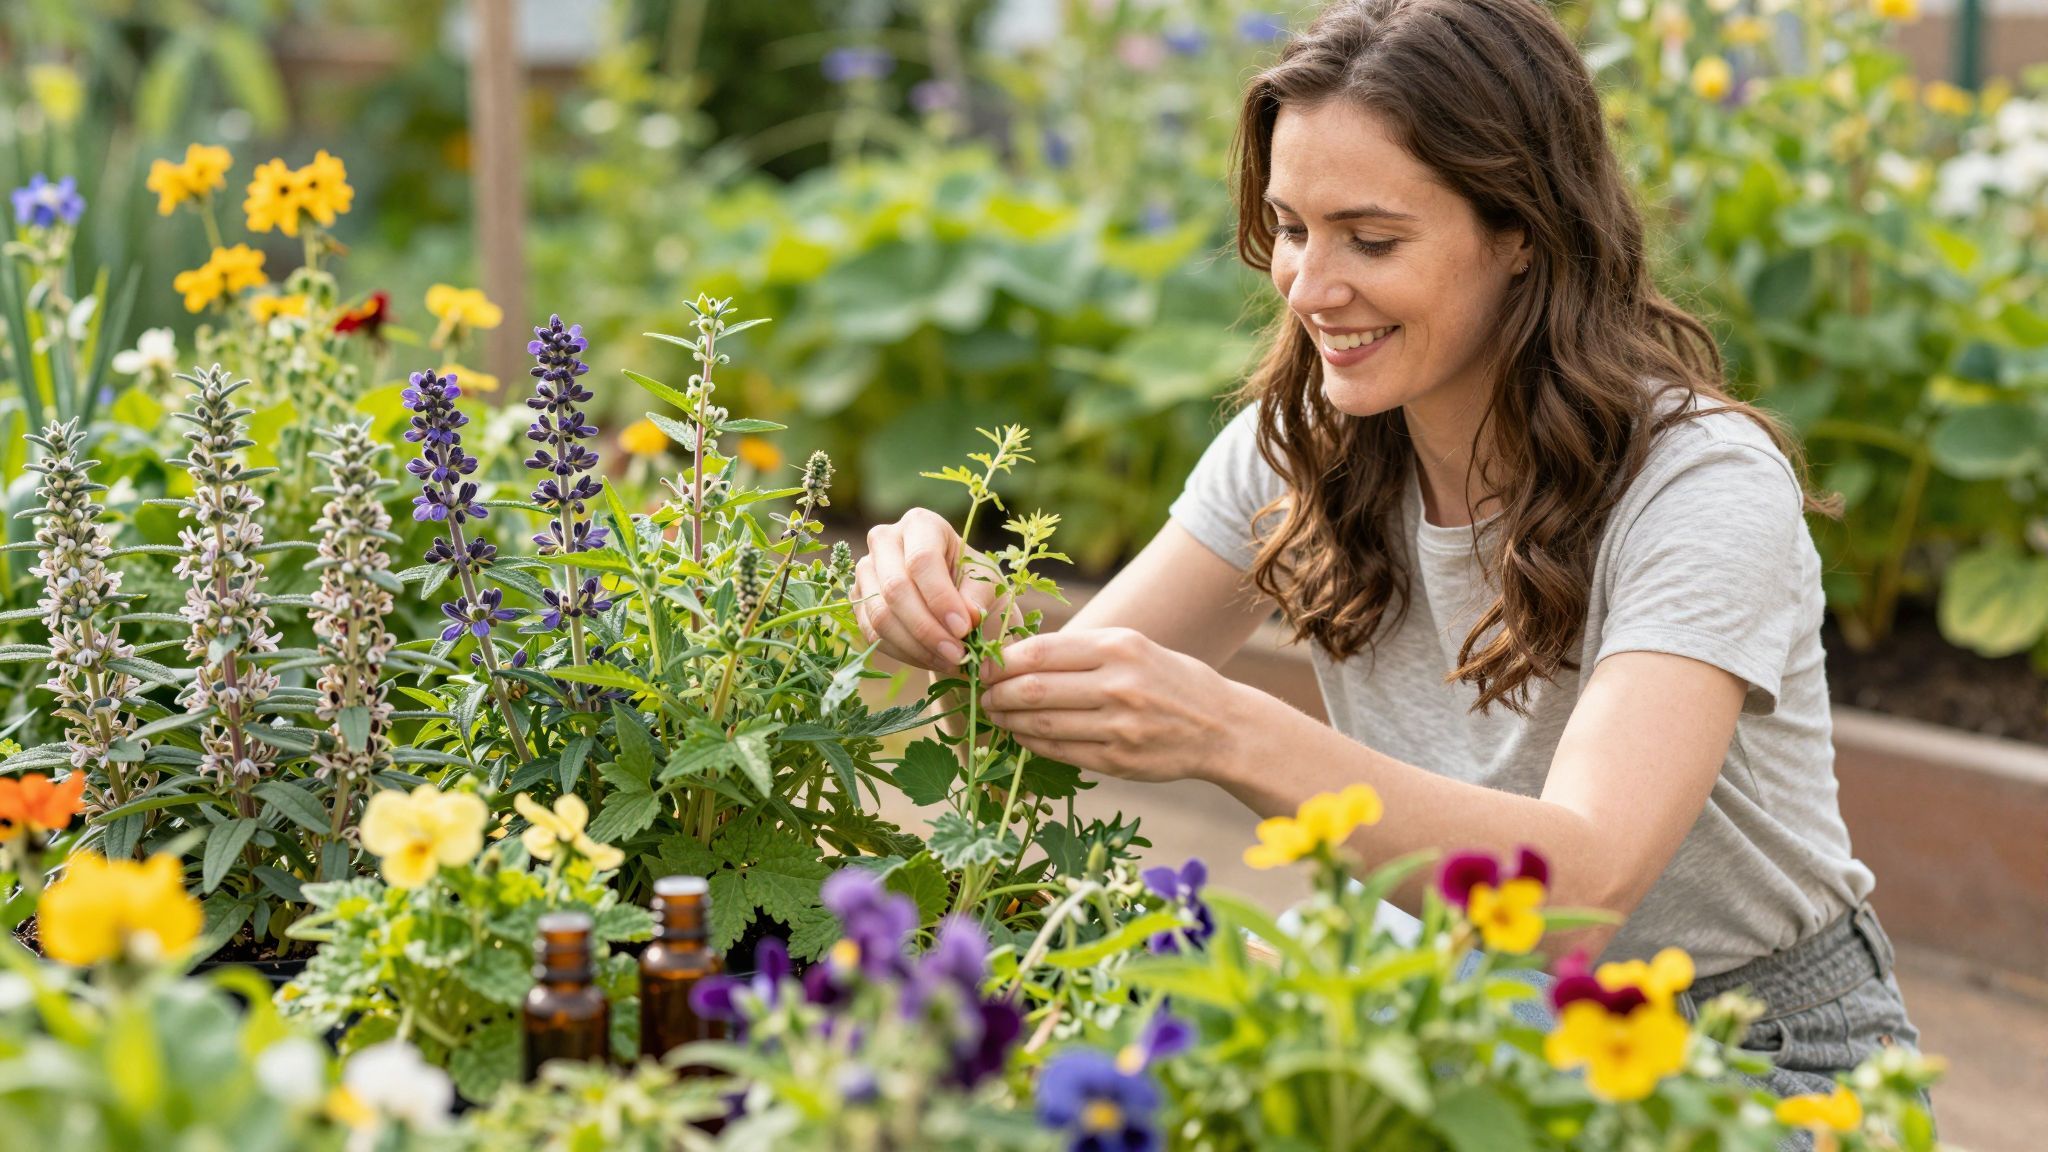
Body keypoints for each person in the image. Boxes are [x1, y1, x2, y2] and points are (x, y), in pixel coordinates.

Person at [852, 0, 1925, 1115]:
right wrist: (939, 610)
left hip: (1746, 1054)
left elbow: (1583, 888)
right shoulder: (1301, 441)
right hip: (1448, 1017)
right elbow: (1056, 699)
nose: (1309, 289)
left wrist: (1225, 728)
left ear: (1520, 233)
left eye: (1370, 240)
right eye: (1289, 228)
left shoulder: (1698, 487)